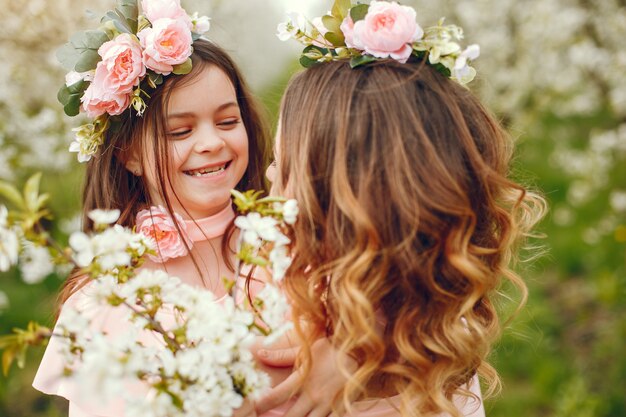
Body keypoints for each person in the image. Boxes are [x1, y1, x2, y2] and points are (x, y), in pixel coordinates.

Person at [257, 2, 546, 416]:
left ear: (346, 198)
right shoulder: (437, 318)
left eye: (283, 165)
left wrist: (360, 357)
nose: (267, 176)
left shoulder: (288, 323)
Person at [32, 2, 272, 415]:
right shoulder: (109, 301)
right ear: (129, 155)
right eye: (180, 130)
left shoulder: (287, 251)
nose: (212, 142)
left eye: (228, 122)